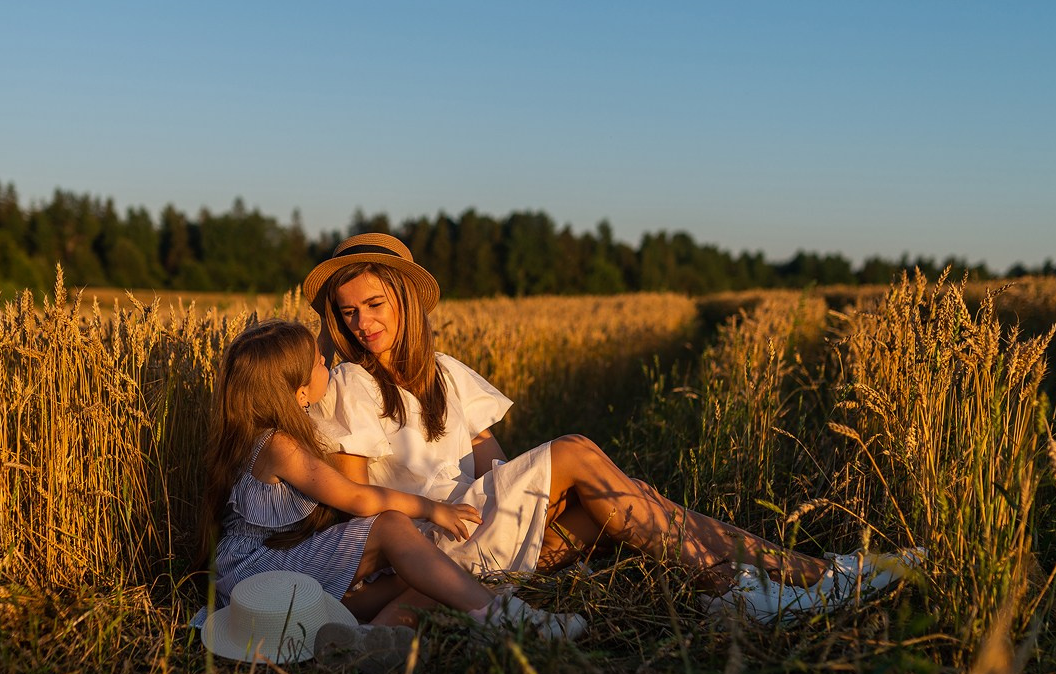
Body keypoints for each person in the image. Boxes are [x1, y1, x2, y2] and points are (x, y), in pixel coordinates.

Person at [305, 233, 924, 625]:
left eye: (375, 305)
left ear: (405, 302)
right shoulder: (351, 389)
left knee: (636, 500)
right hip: (433, 548)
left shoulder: (445, 373)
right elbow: (359, 517)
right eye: (349, 311)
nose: (362, 322)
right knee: (576, 451)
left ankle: (818, 575)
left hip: (485, 534)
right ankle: (751, 590)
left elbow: (496, 467)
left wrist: (554, 499)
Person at [189, 319, 587, 669]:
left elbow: (301, 375)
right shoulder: (281, 447)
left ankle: (368, 640)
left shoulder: (260, 436)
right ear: (298, 393)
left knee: (425, 575)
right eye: (319, 363)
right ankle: (508, 620)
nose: (327, 362)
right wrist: (432, 508)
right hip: (264, 573)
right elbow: (359, 499)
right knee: (392, 527)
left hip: (267, 571)